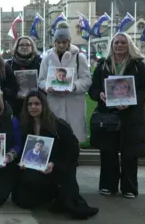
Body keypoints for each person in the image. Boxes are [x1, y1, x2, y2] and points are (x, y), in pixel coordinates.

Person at [11, 90, 99, 220]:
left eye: (37, 104)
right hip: (33, 167)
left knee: (68, 203)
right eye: (30, 104)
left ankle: (56, 194)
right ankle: (48, 196)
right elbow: (19, 147)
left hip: (56, 169)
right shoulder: (23, 125)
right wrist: (21, 161)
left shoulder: (59, 125)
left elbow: (73, 150)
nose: (33, 107)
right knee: (22, 201)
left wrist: (54, 164)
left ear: (43, 105)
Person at [88, 32, 145, 199]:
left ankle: (129, 187)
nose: (119, 45)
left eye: (123, 43)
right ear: (112, 45)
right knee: (108, 153)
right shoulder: (103, 65)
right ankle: (108, 185)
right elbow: (93, 88)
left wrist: (133, 100)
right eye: (116, 42)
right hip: (108, 115)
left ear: (129, 45)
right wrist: (100, 95)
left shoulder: (138, 66)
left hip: (131, 116)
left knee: (130, 154)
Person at [38, 22, 92, 143]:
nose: (61, 45)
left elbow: (86, 80)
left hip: (74, 103)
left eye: (64, 42)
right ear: (54, 42)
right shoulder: (47, 58)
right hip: (54, 102)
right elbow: (41, 80)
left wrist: (74, 86)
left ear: (69, 42)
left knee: (74, 137)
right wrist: (47, 87)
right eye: (58, 42)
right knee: (56, 136)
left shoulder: (79, 57)